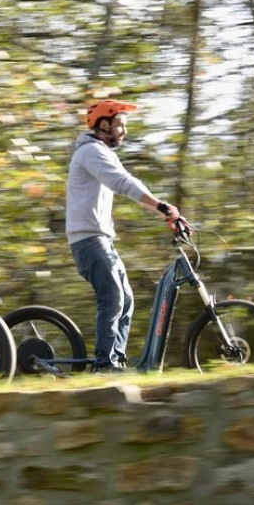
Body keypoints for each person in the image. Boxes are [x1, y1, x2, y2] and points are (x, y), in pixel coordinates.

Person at [65, 99, 181, 373]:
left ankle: (115, 360)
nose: (124, 131)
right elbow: (122, 182)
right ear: (103, 125)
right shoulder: (91, 151)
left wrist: (166, 214)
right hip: (89, 240)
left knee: (126, 298)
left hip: (99, 238)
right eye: (120, 125)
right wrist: (162, 206)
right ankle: (105, 366)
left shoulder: (98, 152)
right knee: (113, 297)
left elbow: (128, 184)